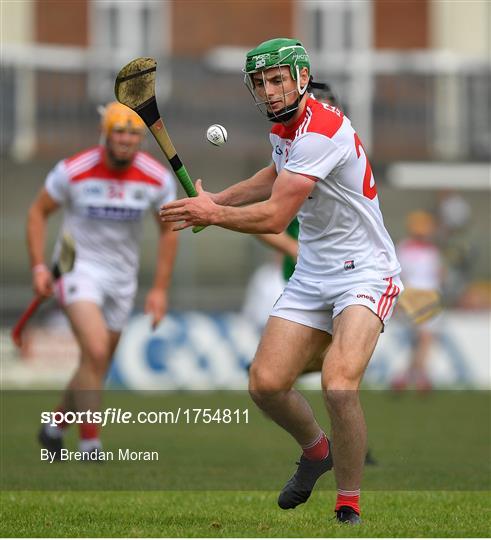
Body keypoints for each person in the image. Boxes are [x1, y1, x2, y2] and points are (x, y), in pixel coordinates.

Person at [160, 38, 403, 524]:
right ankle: (316, 452)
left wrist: (216, 214)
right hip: (314, 272)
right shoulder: (286, 129)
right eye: (260, 84)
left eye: (276, 80)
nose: (269, 92)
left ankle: (348, 503)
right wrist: (219, 201)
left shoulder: (321, 131)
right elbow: (273, 174)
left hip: (366, 271)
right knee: (265, 383)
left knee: (339, 383)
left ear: (301, 78)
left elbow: (275, 217)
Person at [29, 102, 178, 459]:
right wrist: (37, 267)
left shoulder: (156, 178)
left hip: (122, 279)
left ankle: (53, 428)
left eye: (133, 134)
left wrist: (159, 289)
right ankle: (90, 444)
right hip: (77, 269)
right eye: (119, 132)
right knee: (95, 351)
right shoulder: (73, 170)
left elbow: (168, 230)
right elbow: (38, 212)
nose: (126, 140)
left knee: (96, 362)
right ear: (106, 134)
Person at [392, 211, 443, 391]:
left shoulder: (431, 250)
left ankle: (403, 377)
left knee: (421, 340)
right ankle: (420, 376)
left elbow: (436, 275)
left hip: (430, 297)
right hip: (414, 297)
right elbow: (399, 274)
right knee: (425, 338)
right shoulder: (405, 248)